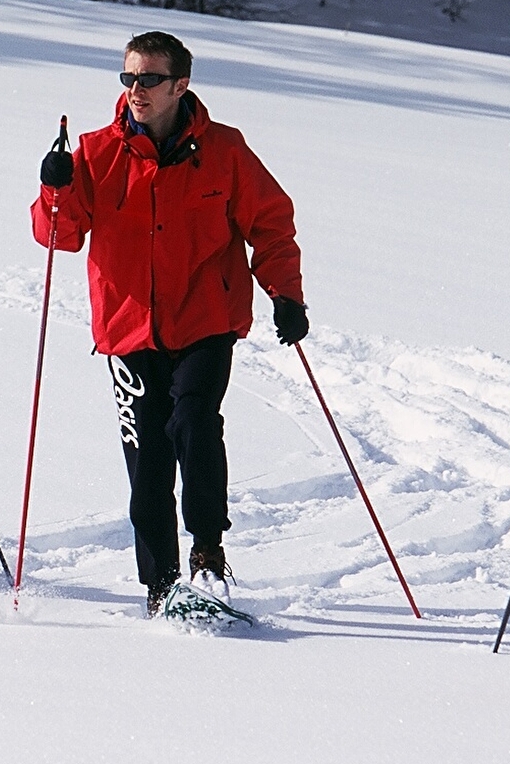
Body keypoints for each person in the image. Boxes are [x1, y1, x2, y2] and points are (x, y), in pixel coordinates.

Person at [32, 31, 308, 616]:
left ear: (181, 85)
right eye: (128, 77)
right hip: (128, 327)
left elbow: (270, 222)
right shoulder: (96, 152)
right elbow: (60, 236)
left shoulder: (224, 149)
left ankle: (207, 552)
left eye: (150, 79)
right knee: (148, 459)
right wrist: (54, 187)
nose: (136, 89)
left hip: (206, 317)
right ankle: (160, 586)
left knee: (194, 424)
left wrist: (285, 293)